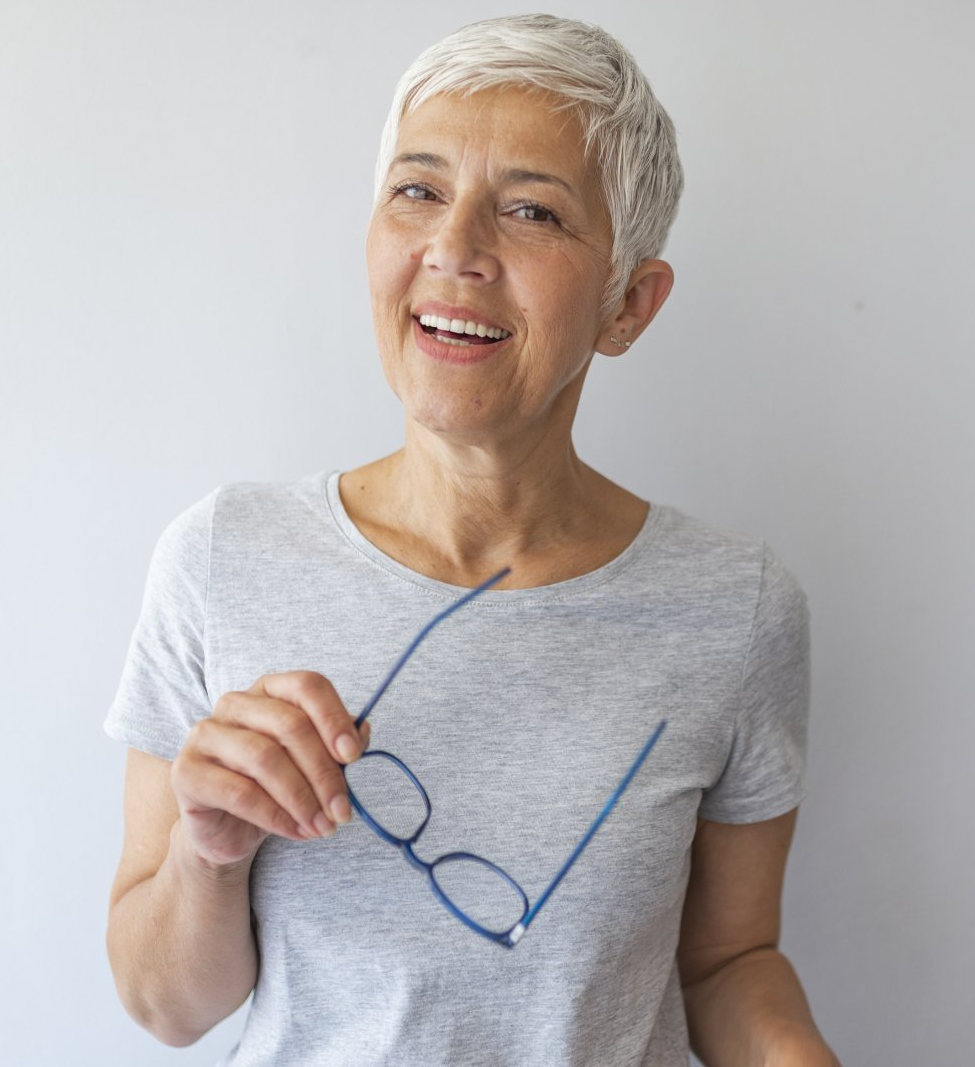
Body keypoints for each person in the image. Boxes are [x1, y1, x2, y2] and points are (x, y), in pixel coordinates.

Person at [105, 14, 839, 1066]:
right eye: (418, 190)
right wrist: (208, 855)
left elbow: (726, 960)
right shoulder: (225, 556)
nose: (454, 250)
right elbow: (164, 1005)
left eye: (531, 210)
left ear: (629, 303)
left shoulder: (740, 608)